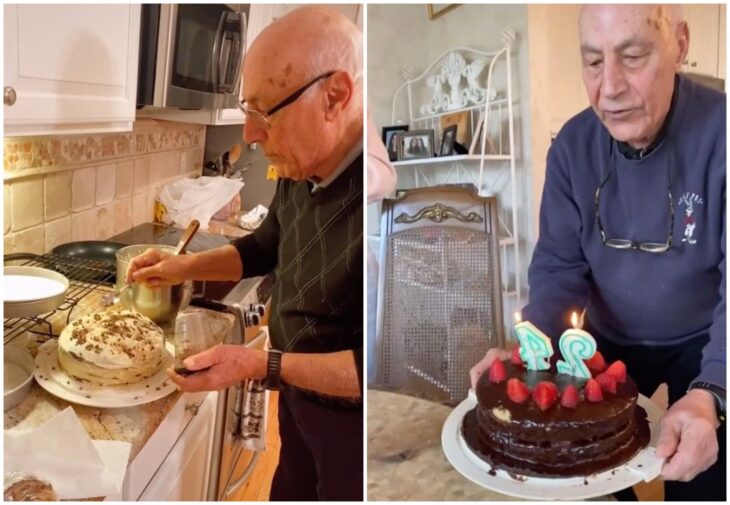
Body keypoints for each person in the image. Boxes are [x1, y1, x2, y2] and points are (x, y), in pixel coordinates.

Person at [470, 5, 725, 501]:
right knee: (580, 475)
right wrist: (530, 352)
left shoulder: (723, 133)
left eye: (633, 56)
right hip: (599, 342)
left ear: (680, 44)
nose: (609, 87)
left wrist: (715, 390)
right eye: (592, 62)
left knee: (708, 477)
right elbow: (558, 269)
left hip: (707, 341)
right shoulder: (571, 147)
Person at [126, 6, 364, 501]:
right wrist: (180, 266)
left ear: (335, 95)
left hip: (356, 438)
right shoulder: (303, 166)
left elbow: (379, 369)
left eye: (263, 112)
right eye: (246, 111)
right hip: (299, 410)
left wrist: (261, 364)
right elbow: (264, 246)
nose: (251, 135)